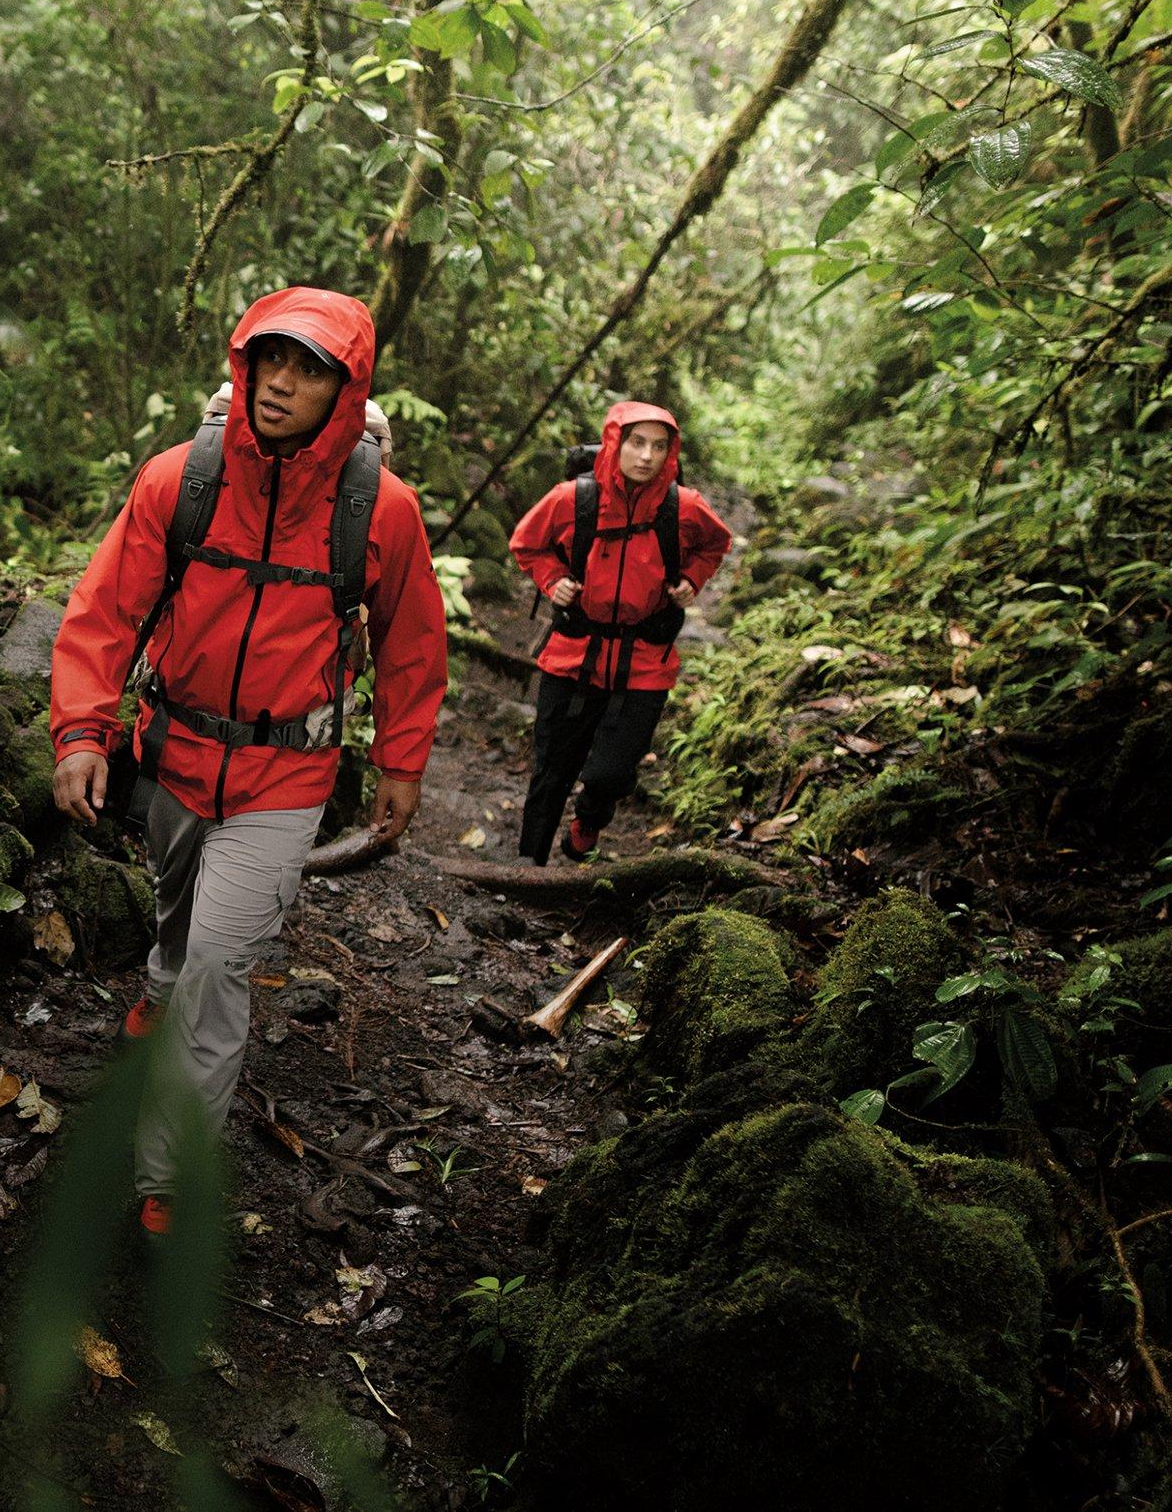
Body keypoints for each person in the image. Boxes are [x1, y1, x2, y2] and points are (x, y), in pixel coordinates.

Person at [47, 286, 448, 1237]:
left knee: (219, 969)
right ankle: (154, 981)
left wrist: (403, 761)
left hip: (286, 779)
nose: (280, 382)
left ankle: (166, 1182)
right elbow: (103, 613)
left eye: (309, 368)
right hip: (173, 756)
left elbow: (411, 642)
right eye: (270, 358)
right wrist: (80, 732)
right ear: (244, 362)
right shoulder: (178, 480)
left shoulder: (378, 510)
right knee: (178, 925)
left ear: (344, 392)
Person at [508, 400, 732, 865]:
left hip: (645, 660)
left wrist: (692, 579)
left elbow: (715, 544)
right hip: (574, 652)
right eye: (636, 443)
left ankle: (588, 822)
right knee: (552, 767)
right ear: (614, 443)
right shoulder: (573, 499)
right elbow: (526, 543)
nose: (646, 456)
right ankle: (530, 864)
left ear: (670, 454)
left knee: (611, 772)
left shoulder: (683, 507)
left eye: (658, 446)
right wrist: (553, 581)